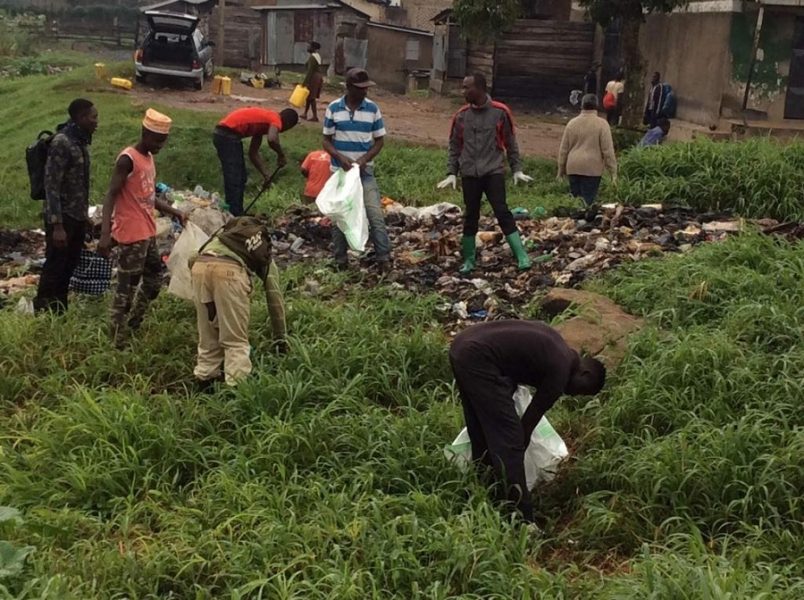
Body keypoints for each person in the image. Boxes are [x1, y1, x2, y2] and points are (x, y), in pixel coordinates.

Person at [449, 320, 606, 523]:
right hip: (478, 357)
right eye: (582, 391)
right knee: (510, 439)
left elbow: (513, 357)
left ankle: (485, 491)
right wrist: (517, 455)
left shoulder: (559, 348)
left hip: (463, 346)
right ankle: (522, 519)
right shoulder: (560, 373)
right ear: (585, 373)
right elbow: (526, 426)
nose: (574, 395)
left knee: (480, 427)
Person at [98, 109, 186, 347]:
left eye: (163, 142)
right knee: (126, 288)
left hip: (147, 231)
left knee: (155, 278)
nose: (160, 146)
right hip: (131, 234)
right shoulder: (128, 159)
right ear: (145, 133)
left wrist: (174, 211)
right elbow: (110, 196)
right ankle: (117, 339)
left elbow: (147, 195)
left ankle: (134, 323)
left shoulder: (148, 157)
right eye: (157, 140)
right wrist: (105, 234)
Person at [437, 73, 534, 274]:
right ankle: (470, 260)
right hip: (470, 173)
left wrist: (517, 169)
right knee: (470, 215)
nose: (463, 92)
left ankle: (521, 255)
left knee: (502, 211)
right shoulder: (462, 115)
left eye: (467, 88)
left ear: (480, 89)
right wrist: (451, 172)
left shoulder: (500, 112)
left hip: (493, 171)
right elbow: (454, 146)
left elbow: (510, 142)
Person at [191, 216, 286, 389]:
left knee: (207, 335)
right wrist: (281, 337)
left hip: (200, 267)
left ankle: (204, 381)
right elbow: (274, 295)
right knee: (235, 340)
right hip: (230, 273)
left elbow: (192, 258)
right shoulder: (260, 247)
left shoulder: (220, 237)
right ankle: (236, 389)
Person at [322, 67, 391, 273]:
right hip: (341, 173)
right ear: (349, 87)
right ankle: (340, 261)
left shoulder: (372, 109)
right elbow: (326, 140)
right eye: (360, 88)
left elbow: (379, 142)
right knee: (339, 217)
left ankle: (384, 259)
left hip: (364, 172)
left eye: (366, 88)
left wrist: (363, 160)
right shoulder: (334, 108)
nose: (365, 92)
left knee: (374, 215)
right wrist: (340, 157)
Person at [33, 98, 98, 314]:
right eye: (93, 117)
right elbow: (52, 186)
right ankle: (43, 312)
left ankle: (60, 311)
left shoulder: (80, 142)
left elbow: (78, 184)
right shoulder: (62, 142)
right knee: (54, 266)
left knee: (69, 266)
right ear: (80, 118)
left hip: (76, 216)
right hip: (62, 219)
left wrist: (84, 217)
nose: (96, 122)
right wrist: (57, 225)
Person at [213, 107, 299, 216]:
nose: (281, 130)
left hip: (226, 135)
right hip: (226, 135)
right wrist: (281, 155)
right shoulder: (275, 119)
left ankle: (237, 211)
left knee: (240, 177)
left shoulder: (262, 125)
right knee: (234, 177)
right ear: (287, 123)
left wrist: (266, 175)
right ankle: (234, 214)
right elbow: (272, 139)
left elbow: (253, 154)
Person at [557, 94, 618, 207]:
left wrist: (561, 170)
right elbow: (608, 151)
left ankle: (573, 221)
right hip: (592, 169)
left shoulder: (572, 123)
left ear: (581, 106)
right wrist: (613, 173)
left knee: (575, 201)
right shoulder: (602, 124)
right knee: (587, 202)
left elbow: (563, 150)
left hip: (573, 167)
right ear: (597, 106)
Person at [302, 41, 324, 122]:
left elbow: (310, 71)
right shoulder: (316, 56)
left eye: (309, 46)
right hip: (317, 76)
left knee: (311, 97)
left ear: (313, 48)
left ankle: (315, 116)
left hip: (314, 77)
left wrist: (305, 82)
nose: (308, 47)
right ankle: (305, 113)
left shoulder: (312, 57)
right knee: (309, 97)